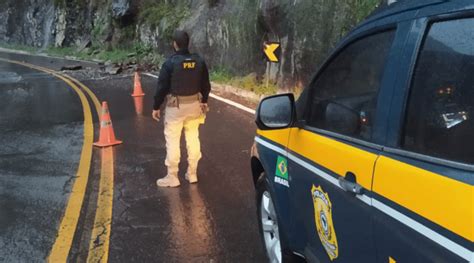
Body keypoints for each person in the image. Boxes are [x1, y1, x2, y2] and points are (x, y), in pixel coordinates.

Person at [152, 30, 211, 188]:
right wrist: (204, 100)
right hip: (195, 106)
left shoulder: (170, 63)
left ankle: (172, 176)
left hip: (176, 108)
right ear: (188, 43)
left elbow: (162, 87)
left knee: (172, 141)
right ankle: (192, 173)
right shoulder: (199, 61)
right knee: (193, 137)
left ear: (174, 44)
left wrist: (156, 106)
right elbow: (206, 84)